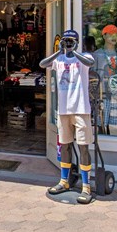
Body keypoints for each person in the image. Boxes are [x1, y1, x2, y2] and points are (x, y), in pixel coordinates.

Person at [40, 29, 97, 204]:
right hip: (64, 109)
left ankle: (86, 185)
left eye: (72, 40)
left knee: (83, 147)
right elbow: (43, 64)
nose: (69, 43)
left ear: (78, 42)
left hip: (81, 109)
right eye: (67, 40)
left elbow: (89, 62)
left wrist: (74, 51)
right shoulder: (59, 59)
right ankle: (64, 181)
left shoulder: (84, 58)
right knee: (64, 145)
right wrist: (60, 49)